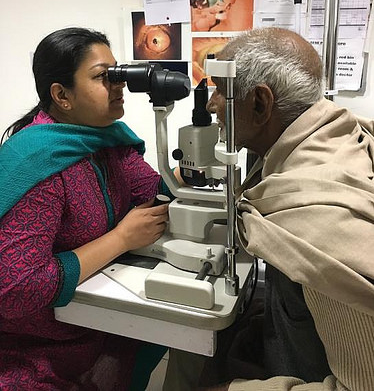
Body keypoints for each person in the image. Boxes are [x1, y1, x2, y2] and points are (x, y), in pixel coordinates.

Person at [164, 27, 374, 391]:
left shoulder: (319, 224)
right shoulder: (330, 134)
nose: (212, 105)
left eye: (221, 90)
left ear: (260, 104)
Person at [0, 27, 175, 390]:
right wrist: (121, 239)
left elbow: (156, 192)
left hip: (96, 324)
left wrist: (192, 165)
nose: (119, 84)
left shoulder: (105, 141)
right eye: (103, 77)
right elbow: (16, 289)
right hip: (36, 346)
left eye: (118, 72)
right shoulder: (39, 162)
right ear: (62, 95)